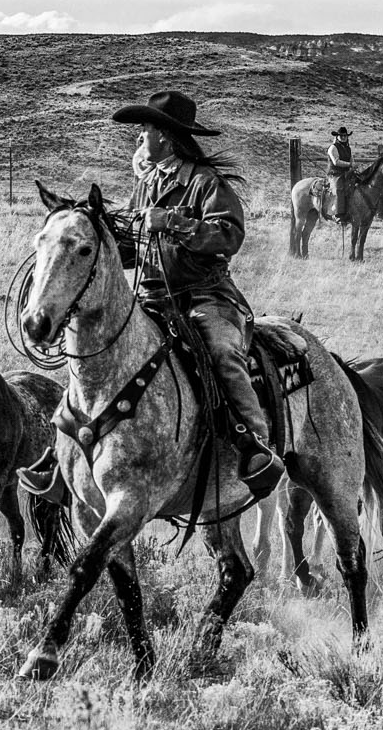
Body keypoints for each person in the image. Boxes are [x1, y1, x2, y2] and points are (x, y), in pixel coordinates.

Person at [113, 89, 284, 495]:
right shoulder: (145, 186)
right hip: (153, 297)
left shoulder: (206, 183)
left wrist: (173, 222)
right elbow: (131, 246)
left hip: (206, 297)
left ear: (166, 138)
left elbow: (229, 236)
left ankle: (254, 443)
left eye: (146, 130)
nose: (140, 138)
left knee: (222, 352)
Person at [325, 125, 355, 224]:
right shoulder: (333, 148)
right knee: (338, 189)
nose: (343, 137)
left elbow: (351, 160)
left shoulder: (348, 148)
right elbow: (336, 162)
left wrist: (353, 166)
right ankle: (338, 214)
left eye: (345, 135)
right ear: (337, 136)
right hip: (335, 174)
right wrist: (349, 165)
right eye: (341, 135)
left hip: (346, 173)